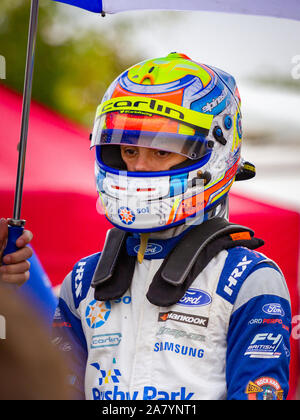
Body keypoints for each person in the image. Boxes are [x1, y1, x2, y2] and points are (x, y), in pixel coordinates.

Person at [12, 53, 292, 400]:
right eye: (129, 149)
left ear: (215, 153)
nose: (139, 167)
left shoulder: (249, 278)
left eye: (161, 152)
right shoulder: (84, 279)